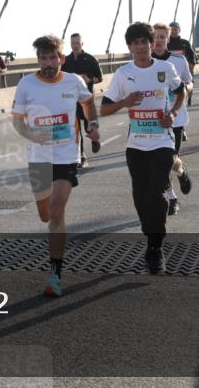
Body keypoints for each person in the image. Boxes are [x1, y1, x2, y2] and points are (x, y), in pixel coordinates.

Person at [11, 35, 99, 297]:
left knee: (57, 210)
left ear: (61, 58)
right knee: (45, 215)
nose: (48, 63)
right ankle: (52, 238)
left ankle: (55, 274)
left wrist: (91, 125)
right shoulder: (26, 84)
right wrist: (31, 134)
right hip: (38, 156)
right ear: (38, 59)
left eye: (52, 58)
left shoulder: (74, 81)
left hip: (65, 155)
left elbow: (88, 102)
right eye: (43, 58)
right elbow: (17, 121)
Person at [100, 22, 185, 274]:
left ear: (152, 44)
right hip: (136, 144)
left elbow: (181, 93)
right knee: (140, 195)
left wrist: (174, 112)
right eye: (134, 43)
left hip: (162, 142)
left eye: (144, 42)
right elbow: (104, 108)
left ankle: (156, 248)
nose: (140, 47)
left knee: (157, 192)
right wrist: (125, 102)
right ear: (129, 47)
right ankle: (151, 236)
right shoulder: (123, 74)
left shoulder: (165, 68)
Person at [151, 23, 193, 215]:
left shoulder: (179, 60)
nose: (158, 40)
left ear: (168, 39)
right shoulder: (144, 62)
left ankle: (181, 171)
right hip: (154, 121)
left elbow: (189, 81)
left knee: (169, 160)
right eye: (155, 37)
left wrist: (187, 89)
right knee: (159, 164)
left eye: (162, 37)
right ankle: (172, 198)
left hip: (176, 117)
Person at [61, 33, 103, 166]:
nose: (75, 45)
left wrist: (89, 78)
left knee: (87, 125)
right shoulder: (66, 61)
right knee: (75, 129)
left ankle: (94, 139)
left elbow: (99, 77)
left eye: (77, 42)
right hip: (71, 100)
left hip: (86, 99)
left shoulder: (90, 59)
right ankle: (82, 156)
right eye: (73, 43)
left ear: (82, 43)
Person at [167, 21, 197, 107]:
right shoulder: (166, 43)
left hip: (184, 67)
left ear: (179, 30)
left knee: (189, 82)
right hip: (169, 68)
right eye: (171, 29)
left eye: (175, 29)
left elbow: (191, 55)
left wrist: (192, 65)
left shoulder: (185, 43)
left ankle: (189, 99)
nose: (173, 31)